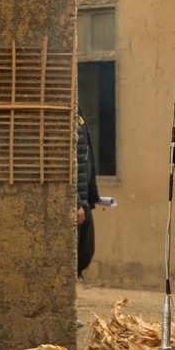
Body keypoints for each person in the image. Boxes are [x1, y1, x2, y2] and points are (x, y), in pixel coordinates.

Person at [75, 114, 101, 276]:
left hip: (85, 198)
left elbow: (85, 158)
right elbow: (68, 164)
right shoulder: (68, 115)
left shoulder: (79, 115)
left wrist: (92, 196)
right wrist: (76, 203)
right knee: (78, 253)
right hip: (78, 201)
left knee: (86, 252)